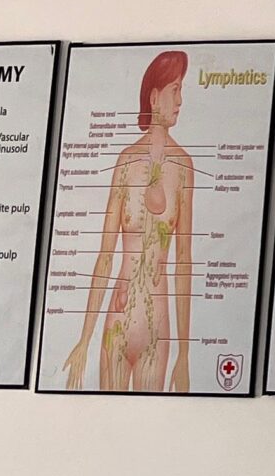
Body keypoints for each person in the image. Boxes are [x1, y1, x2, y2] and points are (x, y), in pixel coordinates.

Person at [62, 51, 194, 391]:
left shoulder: (183, 168)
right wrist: (84, 339)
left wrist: (185, 354)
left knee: (152, 418)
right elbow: (105, 255)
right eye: (175, 90)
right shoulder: (125, 163)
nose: (181, 100)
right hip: (118, 324)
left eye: (181, 90)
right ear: (154, 97)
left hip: (156, 329)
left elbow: (183, 261)